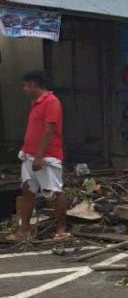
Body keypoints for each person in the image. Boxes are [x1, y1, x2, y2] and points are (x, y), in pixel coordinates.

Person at [14, 71, 67, 241]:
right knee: (27, 191)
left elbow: (50, 130)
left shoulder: (51, 102)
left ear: (33, 84)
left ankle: (61, 228)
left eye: (25, 85)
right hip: (29, 155)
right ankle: (24, 228)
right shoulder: (37, 103)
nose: (24, 89)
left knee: (54, 192)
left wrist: (39, 156)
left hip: (46, 156)